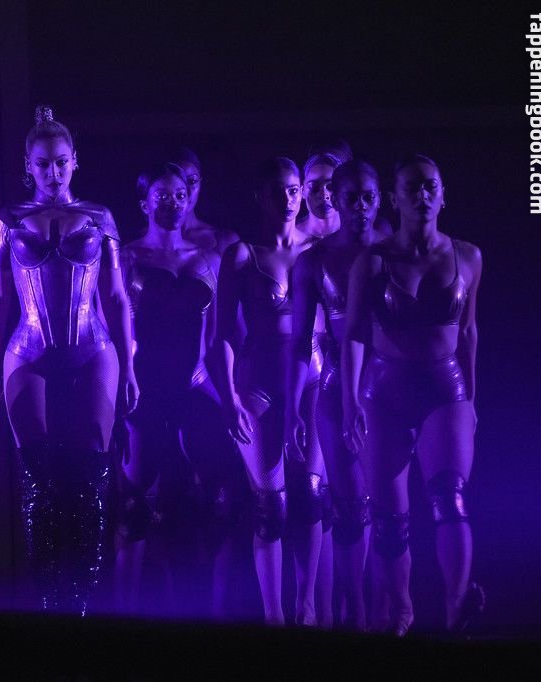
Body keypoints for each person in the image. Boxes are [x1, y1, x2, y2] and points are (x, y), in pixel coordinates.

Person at [0, 106, 138, 615]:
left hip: (93, 348)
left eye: (61, 162)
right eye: (44, 164)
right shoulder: (8, 220)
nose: (53, 172)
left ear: (75, 161)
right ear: (28, 165)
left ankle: (84, 604)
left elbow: (117, 297)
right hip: (29, 350)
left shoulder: (100, 217)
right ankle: (48, 603)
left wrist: (131, 365)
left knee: (91, 478)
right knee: (38, 481)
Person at [342, 154, 484, 635]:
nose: (422, 195)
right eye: (412, 187)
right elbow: (353, 334)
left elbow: (468, 332)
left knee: (450, 497)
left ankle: (456, 606)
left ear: (443, 195)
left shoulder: (468, 256)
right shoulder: (373, 261)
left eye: (430, 186)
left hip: (444, 387)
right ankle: (401, 611)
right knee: (389, 519)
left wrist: (471, 400)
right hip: (385, 390)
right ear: (394, 198)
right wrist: (350, 402)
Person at [114, 162, 237, 618]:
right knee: (135, 507)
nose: (173, 202)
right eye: (162, 195)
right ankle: (125, 614)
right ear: (144, 202)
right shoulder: (126, 257)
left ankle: (215, 614)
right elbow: (112, 328)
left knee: (214, 502)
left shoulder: (210, 259)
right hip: (145, 385)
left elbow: (221, 338)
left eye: (180, 194)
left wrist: (231, 399)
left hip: (195, 384)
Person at [215, 157, 322, 625]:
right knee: (270, 507)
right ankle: (274, 616)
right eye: (278, 191)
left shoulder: (318, 252)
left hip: (312, 383)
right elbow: (221, 333)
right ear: (260, 197)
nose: (288, 199)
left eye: (294, 190)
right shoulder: (242, 256)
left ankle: (308, 605)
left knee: (311, 496)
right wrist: (229, 399)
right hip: (258, 385)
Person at [286, 160, 384, 629]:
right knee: (347, 505)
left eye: (368, 197)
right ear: (335, 200)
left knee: (388, 506)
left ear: (379, 199)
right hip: (335, 386)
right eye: (352, 198)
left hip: (391, 386)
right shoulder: (314, 261)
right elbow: (299, 341)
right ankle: (354, 611)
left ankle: (384, 610)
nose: (360, 206)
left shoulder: (394, 253)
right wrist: (293, 408)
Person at [171, 147, 239, 256]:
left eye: (192, 181)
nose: (186, 191)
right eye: (178, 180)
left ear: (201, 183)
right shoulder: (142, 241)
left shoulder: (224, 240)